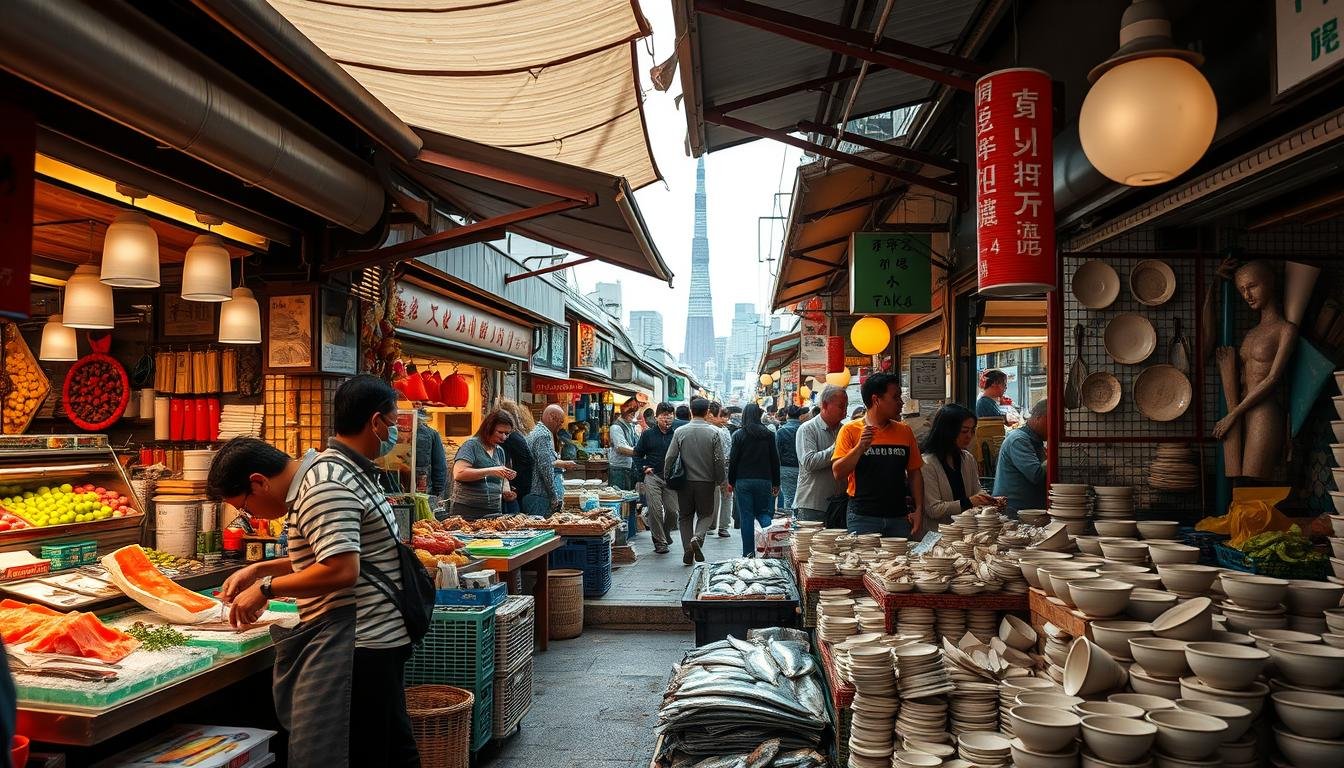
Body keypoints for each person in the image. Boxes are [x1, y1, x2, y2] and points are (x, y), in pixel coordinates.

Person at [207, 375, 420, 768]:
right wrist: (260, 569)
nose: (250, 516)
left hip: (359, 644)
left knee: (360, 754)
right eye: (392, 422)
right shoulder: (337, 471)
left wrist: (266, 588)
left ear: (258, 482)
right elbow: (337, 552)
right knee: (390, 749)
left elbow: (341, 569)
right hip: (376, 637)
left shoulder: (323, 485)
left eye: (246, 507)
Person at [831, 372, 925, 537]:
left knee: (900, 562)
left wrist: (919, 510)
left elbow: (914, 473)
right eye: (895, 397)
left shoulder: (905, 431)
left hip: (899, 516)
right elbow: (838, 472)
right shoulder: (850, 430)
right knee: (862, 562)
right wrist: (860, 447)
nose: (901, 402)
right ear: (876, 400)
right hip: (862, 517)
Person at [664, 397, 726, 564]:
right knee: (706, 514)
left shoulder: (680, 432)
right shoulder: (714, 432)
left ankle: (688, 551)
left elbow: (670, 457)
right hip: (706, 482)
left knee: (685, 516)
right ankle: (697, 538)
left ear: (691, 411)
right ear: (707, 412)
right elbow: (719, 460)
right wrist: (722, 481)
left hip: (684, 482)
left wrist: (666, 475)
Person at [919, 403, 999, 532]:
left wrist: (986, 500)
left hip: (967, 532)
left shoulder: (967, 458)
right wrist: (970, 502)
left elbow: (976, 490)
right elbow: (934, 509)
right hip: (938, 534)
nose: (969, 436)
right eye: (964, 431)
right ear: (948, 431)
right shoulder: (927, 463)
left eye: (972, 430)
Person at [728, 403, 780, 558]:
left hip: (743, 481)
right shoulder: (768, 434)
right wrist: (776, 482)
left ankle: (748, 553)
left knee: (746, 517)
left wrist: (731, 481)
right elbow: (774, 460)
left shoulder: (738, 435)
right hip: (764, 480)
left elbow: (733, 460)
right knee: (764, 514)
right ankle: (772, 548)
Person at [795, 386, 848, 523]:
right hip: (812, 505)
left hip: (840, 503)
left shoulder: (844, 430)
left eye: (846, 406)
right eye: (841, 407)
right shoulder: (807, 429)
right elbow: (809, 462)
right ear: (825, 405)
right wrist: (837, 447)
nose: (845, 412)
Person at [450, 409, 517, 519]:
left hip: (493, 511)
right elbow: (459, 473)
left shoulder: (500, 451)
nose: (504, 437)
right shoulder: (471, 446)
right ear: (488, 429)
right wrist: (491, 471)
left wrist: (506, 492)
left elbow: (500, 478)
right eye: (500, 432)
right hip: (467, 511)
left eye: (507, 434)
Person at [634, 402, 680, 554]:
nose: (667, 419)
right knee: (655, 510)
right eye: (663, 416)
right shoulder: (648, 434)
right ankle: (660, 542)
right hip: (653, 477)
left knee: (673, 512)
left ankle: (665, 533)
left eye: (669, 416)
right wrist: (644, 467)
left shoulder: (677, 434)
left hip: (671, 478)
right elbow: (637, 454)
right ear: (656, 417)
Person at [994, 398, 1049, 514]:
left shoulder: (1035, 440)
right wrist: (1054, 455)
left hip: (1028, 511)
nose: (1057, 427)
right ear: (1039, 418)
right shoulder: (1019, 440)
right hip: (1013, 513)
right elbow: (1036, 474)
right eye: (1054, 421)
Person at [523, 404, 577, 516]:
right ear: (551, 417)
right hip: (539, 495)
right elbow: (545, 467)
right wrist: (553, 496)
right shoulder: (543, 435)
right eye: (560, 421)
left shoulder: (539, 432)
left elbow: (547, 462)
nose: (561, 425)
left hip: (537, 495)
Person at [494, 399, 536, 515]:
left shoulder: (511, 438)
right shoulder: (517, 436)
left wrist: (515, 489)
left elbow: (520, 464)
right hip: (520, 488)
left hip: (516, 490)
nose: (503, 437)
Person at [708, 401, 733, 538]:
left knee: (711, 497)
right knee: (726, 497)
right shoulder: (725, 430)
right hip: (726, 467)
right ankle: (723, 527)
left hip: (710, 468)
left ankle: (710, 525)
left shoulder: (711, 430)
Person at [413, 408, 448, 498]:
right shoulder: (431, 433)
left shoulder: (392, 431)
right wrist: (437, 490)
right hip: (423, 489)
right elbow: (440, 464)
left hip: (394, 488)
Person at [608, 399, 640, 491]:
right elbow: (621, 448)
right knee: (620, 498)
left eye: (634, 412)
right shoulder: (616, 427)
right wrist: (639, 453)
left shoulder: (631, 427)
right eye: (630, 411)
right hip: (619, 470)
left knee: (630, 498)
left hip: (629, 468)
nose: (632, 414)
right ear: (623, 411)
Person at [775, 405, 803, 510]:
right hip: (803, 468)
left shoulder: (781, 431)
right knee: (801, 499)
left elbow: (777, 453)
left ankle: (791, 522)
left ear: (787, 416)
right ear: (800, 416)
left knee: (789, 498)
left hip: (786, 469)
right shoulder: (805, 429)